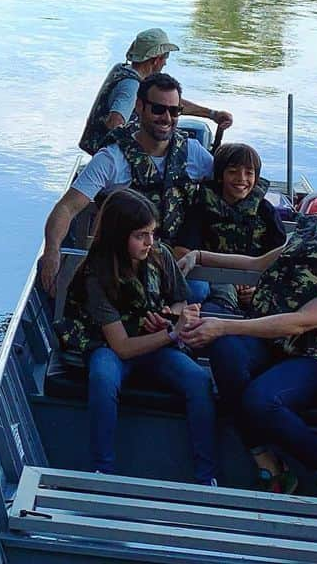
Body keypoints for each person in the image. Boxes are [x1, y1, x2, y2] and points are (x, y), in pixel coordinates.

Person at [180, 160, 317, 500]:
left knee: (260, 400)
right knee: (226, 349)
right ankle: (263, 456)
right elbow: (258, 263)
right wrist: (198, 255)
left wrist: (223, 325)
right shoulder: (316, 230)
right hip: (276, 344)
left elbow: (305, 320)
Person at [54, 187, 217, 484]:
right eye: (141, 235)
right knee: (103, 378)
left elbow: (180, 299)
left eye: (152, 233)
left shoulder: (160, 256)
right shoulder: (96, 274)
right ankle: (103, 470)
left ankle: (206, 476)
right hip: (110, 345)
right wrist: (172, 332)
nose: (150, 242)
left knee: (198, 381)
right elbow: (122, 346)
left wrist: (169, 314)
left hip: (155, 343)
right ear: (119, 235)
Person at [40, 72, 213, 296]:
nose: (167, 118)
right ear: (139, 107)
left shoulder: (193, 152)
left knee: (198, 291)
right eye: (159, 109)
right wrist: (52, 251)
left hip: (176, 257)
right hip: (121, 261)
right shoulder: (112, 158)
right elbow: (67, 207)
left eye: (174, 111)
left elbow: (229, 193)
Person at [79, 27, 233, 156]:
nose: (165, 63)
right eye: (165, 57)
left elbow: (168, 103)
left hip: (98, 147)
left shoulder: (124, 69)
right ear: (156, 60)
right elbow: (115, 123)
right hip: (109, 154)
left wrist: (212, 114)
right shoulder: (131, 86)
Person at [172, 142, 287, 312]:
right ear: (220, 175)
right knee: (198, 292)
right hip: (209, 279)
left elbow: (280, 258)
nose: (241, 179)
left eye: (249, 173)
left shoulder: (265, 210)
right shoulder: (201, 206)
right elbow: (182, 251)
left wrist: (258, 288)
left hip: (252, 283)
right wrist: (229, 277)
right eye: (233, 172)